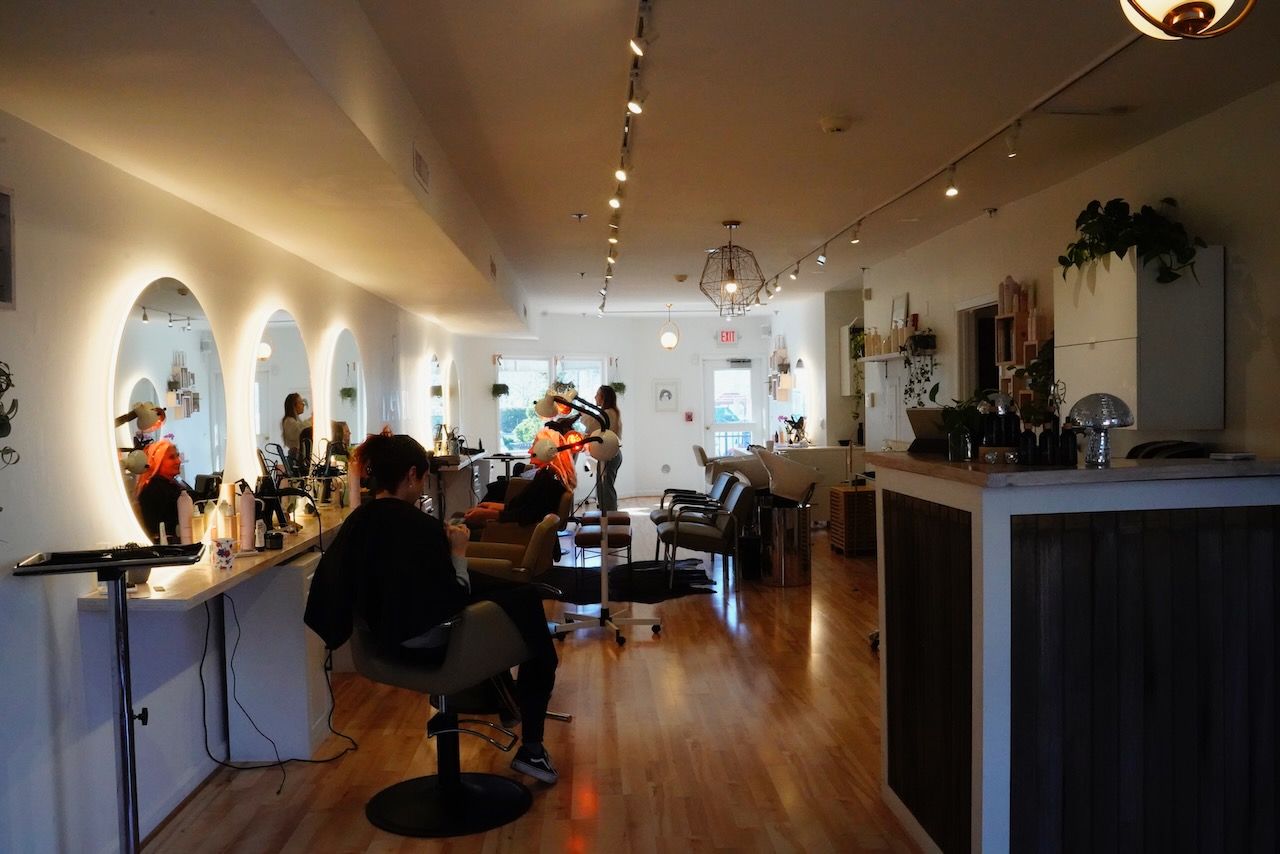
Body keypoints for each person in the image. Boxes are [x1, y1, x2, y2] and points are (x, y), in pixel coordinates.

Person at [304, 433, 561, 784]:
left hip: (381, 639)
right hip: (429, 639)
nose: (421, 484)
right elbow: (452, 597)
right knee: (529, 613)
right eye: (423, 477)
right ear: (411, 475)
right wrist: (457, 551)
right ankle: (532, 749)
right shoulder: (419, 527)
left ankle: (508, 704)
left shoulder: (356, 523)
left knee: (514, 595)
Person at [136, 438, 190, 542]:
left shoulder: (172, 485)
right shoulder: (153, 490)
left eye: (177, 455)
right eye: (171, 457)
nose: (178, 461)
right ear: (158, 462)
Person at [590, 385, 622, 511]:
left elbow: (592, 425)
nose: (595, 397)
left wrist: (581, 413)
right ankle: (606, 517)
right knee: (604, 488)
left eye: (597, 394)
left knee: (606, 489)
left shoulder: (607, 413)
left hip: (610, 455)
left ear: (603, 398)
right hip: (611, 454)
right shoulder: (612, 412)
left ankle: (610, 519)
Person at [281, 393, 312, 474]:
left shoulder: (295, 421)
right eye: (300, 402)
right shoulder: (289, 421)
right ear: (294, 405)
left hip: (299, 457)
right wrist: (312, 420)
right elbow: (300, 431)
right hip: (295, 458)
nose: (303, 405)